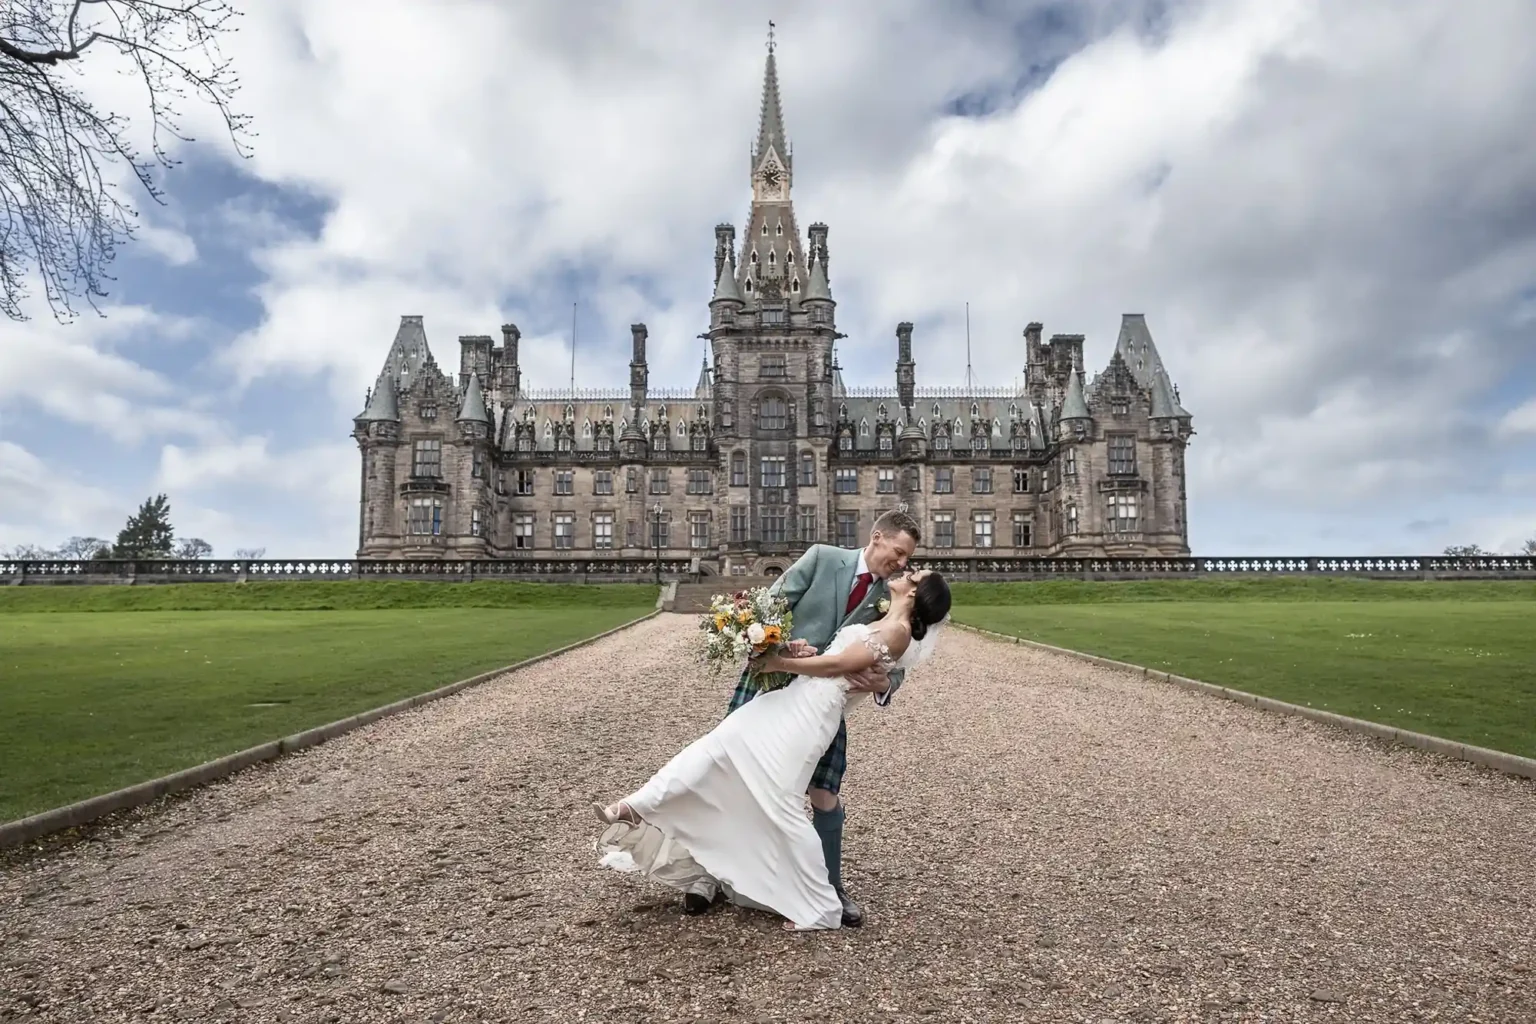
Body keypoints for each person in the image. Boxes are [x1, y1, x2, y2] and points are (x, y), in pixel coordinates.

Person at [593, 567, 951, 931]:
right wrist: (795, 648)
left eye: (914, 573)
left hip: (811, 717)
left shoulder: (896, 631)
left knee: (781, 804)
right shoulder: (883, 619)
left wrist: (780, 662)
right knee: (716, 748)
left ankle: (822, 907)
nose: (905, 569)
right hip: (789, 700)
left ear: (915, 594)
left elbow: (839, 664)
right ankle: (635, 806)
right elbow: (834, 655)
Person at [721, 507, 922, 924]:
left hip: (821, 705)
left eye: (907, 558)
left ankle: (830, 885)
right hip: (771, 683)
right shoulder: (822, 557)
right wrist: (785, 642)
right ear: (878, 537)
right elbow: (766, 609)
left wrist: (885, 685)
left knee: (824, 794)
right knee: (729, 773)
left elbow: (901, 660)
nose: (902, 563)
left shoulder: (897, 594)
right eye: (899, 552)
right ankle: (708, 878)